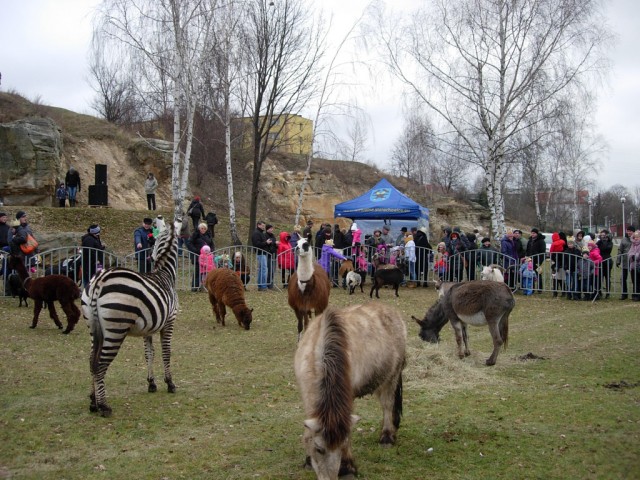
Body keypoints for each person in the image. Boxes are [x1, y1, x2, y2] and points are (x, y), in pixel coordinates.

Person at [188, 223, 213, 291]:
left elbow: (211, 244)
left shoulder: (208, 235)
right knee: (197, 272)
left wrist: (212, 251)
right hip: (198, 256)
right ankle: (194, 287)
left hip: (207, 257)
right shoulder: (195, 235)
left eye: (205, 228)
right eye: (202, 228)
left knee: (206, 272)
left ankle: (204, 287)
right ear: (199, 229)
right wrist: (195, 251)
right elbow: (189, 243)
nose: (203, 230)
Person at [81, 224, 106, 288]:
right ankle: (88, 291)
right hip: (90, 264)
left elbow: (96, 248)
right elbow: (90, 252)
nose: (98, 235)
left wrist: (101, 248)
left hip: (95, 264)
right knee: (89, 279)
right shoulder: (88, 240)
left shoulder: (95, 238)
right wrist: (96, 260)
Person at [251, 221, 271, 291]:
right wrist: (266, 242)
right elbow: (257, 244)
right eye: (262, 226)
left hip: (263, 253)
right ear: (258, 225)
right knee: (264, 270)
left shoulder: (260, 233)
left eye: (264, 226)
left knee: (261, 270)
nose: (264, 227)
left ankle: (261, 285)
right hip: (261, 253)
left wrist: (266, 243)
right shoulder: (256, 233)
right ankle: (262, 285)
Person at [617, 225, 635, 300]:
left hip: (634, 262)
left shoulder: (636, 239)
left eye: (630, 231)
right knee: (623, 278)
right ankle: (624, 294)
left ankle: (635, 294)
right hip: (625, 262)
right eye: (628, 231)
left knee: (634, 279)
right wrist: (618, 260)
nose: (629, 232)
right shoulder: (624, 240)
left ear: (633, 232)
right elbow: (620, 250)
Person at [596, 229, 613, 299]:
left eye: (604, 235)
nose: (603, 237)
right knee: (600, 277)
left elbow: (606, 249)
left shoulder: (610, 242)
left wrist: (604, 241)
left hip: (607, 260)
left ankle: (608, 292)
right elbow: (596, 247)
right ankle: (599, 291)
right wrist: (600, 241)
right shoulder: (599, 242)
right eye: (601, 235)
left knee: (607, 277)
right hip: (600, 260)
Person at [549, 232, 567, 297]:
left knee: (555, 278)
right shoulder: (563, 242)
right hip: (561, 263)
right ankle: (563, 291)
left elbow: (551, 252)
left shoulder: (553, 244)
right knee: (561, 279)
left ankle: (555, 292)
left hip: (554, 262)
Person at [628, 230, 640, 301]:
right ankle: (635, 294)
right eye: (635, 237)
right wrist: (631, 256)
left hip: (639, 265)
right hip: (633, 265)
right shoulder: (632, 245)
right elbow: (630, 252)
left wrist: (636, 256)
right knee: (634, 280)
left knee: (638, 280)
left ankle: (638, 295)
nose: (636, 238)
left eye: (637, 237)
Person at [265, 224, 278, 288]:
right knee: (269, 270)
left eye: (272, 228)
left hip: (274, 254)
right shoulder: (265, 235)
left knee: (273, 270)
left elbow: (274, 243)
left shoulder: (273, 235)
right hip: (268, 254)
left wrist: (277, 244)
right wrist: (274, 243)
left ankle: (271, 283)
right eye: (271, 228)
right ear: (267, 229)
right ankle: (268, 284)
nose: (272, 229)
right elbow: (268, 243)